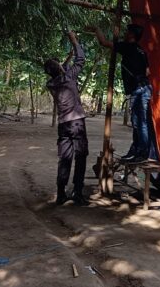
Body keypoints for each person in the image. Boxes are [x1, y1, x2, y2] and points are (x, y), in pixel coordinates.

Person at [90, 24, 152, 162]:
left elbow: (104, 42)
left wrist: (96, 29)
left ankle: (142, 153)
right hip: (144, 88)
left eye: (127, 32)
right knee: (137, 122)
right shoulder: (141, 51)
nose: (125, 33)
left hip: (139, 89)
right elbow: (148, 72)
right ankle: (136, 150)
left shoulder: (128, 47)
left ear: (131, 35)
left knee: (140, 122)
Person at [44, 31, 89, 206]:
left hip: (64, 125)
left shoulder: (52, 83)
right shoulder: (68, 77)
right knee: (81, 157)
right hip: (77, 123)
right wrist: (73, 39)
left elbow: (59, 69)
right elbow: (81, 59)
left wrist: (65, 61)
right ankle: (77, 192)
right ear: (61, 69)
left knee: (65, 158)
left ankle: (61, 193)